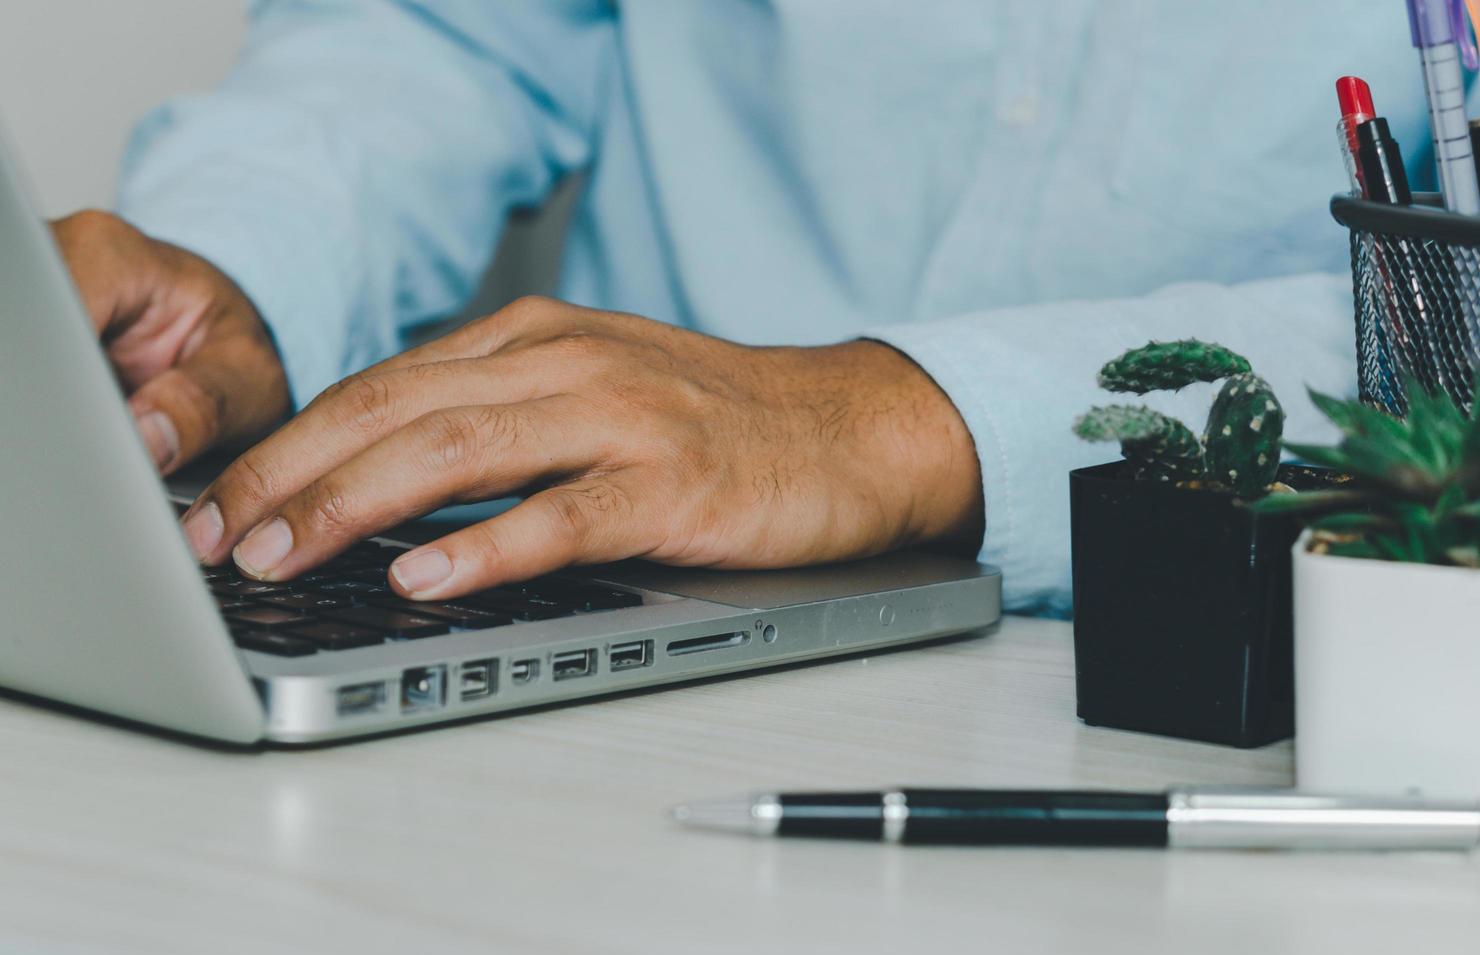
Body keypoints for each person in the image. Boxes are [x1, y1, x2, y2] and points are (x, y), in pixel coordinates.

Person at [53, 1, 1419, 615]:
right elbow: (455, 26)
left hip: (1296, 669)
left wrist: (909, 418)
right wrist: (246, 260)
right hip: (621, 596)